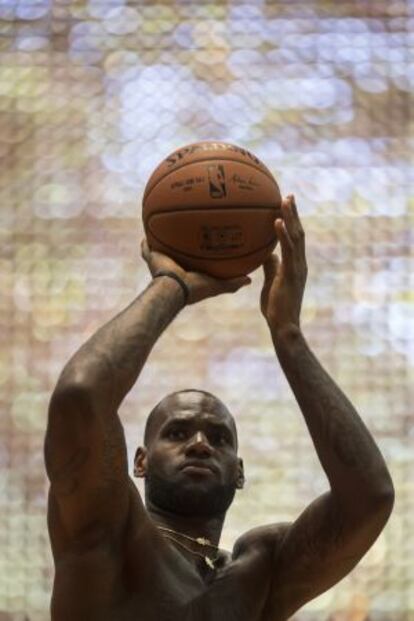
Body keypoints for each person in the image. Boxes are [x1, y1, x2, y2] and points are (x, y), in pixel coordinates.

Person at [44, 196, 394, 621]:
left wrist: (288, 335)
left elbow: (369, 499)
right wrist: (172, 286)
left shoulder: (260, 569)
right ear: (139, 461)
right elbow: (80, 397)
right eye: (176, 433)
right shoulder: (112, 534)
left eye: (219, 438)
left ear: (240, 471)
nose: (199, 444)